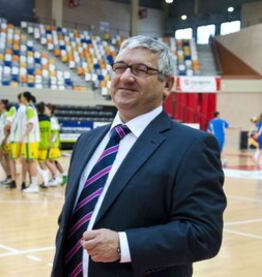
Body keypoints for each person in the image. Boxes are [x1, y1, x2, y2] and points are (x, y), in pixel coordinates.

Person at [52, 35, 226, 277]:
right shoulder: (86, 141)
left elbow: (204, 235)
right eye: (120, 67)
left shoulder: (192, 146)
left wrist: (124, 245)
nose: (126, 77)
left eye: (141, 69)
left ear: (167, 84)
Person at [19, 91, 41, 193]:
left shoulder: (29, 108)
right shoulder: (31, 108)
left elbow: (30, 124)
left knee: (32, 162)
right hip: (32, 140)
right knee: (29, 161)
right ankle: (33, 184)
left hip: (30, 140)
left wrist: (23, 136)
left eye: (22, 97)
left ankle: (34, 185)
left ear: (24, 98)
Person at [47, 103, 66, 186]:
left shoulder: (52, 120)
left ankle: (55, 177)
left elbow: (54, 133)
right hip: (53, 144)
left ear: (50, 111)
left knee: (49, 161)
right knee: (54, 161)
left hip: (52, 145)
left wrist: (51, 143)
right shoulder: (50, 119)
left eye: (46, 109)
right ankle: (64, 175)